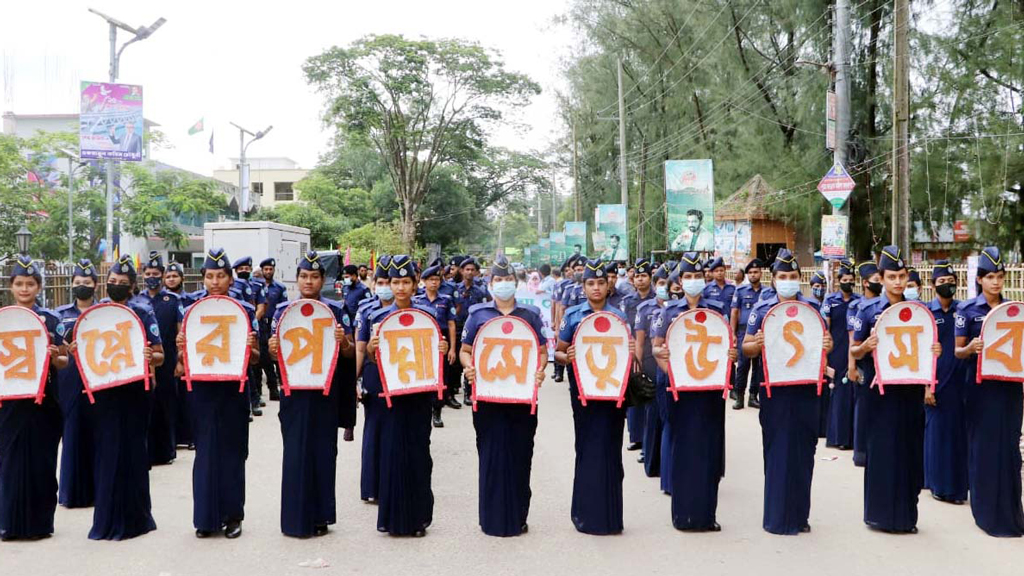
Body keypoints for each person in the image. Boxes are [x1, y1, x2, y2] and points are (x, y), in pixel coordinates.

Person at [71, 256, 163, 540]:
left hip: (135, 392)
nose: (116, 286)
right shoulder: (95, 315)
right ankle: (107, 517)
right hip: (104, 394)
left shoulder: (143, 312)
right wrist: (76, 351)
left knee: (134, 451)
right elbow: (81, 354)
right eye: (112, 282)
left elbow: (160, 355)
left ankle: (137, 518)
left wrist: (151, 357)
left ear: (133, 286)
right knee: (107, 452)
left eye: (123, 283)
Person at [851, 246, 940, 534]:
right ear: (881, 278)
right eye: (892, 276)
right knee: (882, 451)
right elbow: (854, 348)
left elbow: (927, 350)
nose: (898, 282)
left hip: (910, 391)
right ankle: (879, 515)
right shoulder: (867, 310)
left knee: (910, 451)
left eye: (902, 276)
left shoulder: (918, 312)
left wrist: (934, 350)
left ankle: (906, 517)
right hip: (880, 393)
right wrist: (866, 347)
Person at [743, 248, 833, 535]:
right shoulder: (762, 310)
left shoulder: (812, 308)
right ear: (774, 279)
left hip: (806, 388)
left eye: (793, 276)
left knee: (804, 452)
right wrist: (756, 343)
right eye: (783, 276)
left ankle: (800, 516)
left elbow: (824, 343)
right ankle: (776, 517)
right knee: (777, 451)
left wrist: (828, 346)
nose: (788, 281)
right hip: (774, 391)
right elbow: (746, 348)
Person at [268, 251, 354, 538]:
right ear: (297, 280)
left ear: (323, 280)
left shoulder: (336, 310)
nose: (309, 281)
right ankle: (294, 518)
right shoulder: (282, 311)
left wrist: (343, 343)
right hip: (294, 393)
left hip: (325, 391)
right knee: (294, 453)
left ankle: (321, 516)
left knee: (324, 452)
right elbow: (273, 356)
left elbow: (350, 352)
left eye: (314, 277)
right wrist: (271, 350)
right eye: (304, 276)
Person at [460, 257, 547, 537]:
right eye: (498, 280)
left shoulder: (530, 315)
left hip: (522, 400)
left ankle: (519, 515)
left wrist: (540, 370)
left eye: (508, 280)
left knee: (521, 455)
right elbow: (464, 350)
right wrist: (469, 367)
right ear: (490, 284)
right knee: (491, 455)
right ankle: (492, 518)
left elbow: (542, 351)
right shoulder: (477, 315)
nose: (504, 284)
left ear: (516, 283)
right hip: (488, 400)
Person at [176, 248, 259, 539]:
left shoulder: (245, 310)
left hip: (233, 389)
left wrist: (252, 345)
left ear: (230, 278)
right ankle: (205, 518)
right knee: (206, 451)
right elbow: (182, 359)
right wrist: (180, 346)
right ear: (203, 279)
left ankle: (233, 516)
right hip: (201, 389)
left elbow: (258, 358)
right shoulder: (189, 310)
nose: (215, 282)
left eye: (221, 276)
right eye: (209, 276)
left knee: (233, 452)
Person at [363, 255, 449, 536]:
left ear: (415, 285)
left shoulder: (428, 315)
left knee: (418, 454)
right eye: (395, 282)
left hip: (419, 395)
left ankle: (418, 519)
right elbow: (373, 359)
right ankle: (391, 519)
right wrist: (372, 350)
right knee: (391, 453)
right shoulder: (378, 317)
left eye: (405, 282)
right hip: (391, 395)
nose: (400, 288)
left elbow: (437, 352)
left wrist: (443, 348)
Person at [651, 253, 737, 531]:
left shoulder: (717, 309)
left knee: (709, 450)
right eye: (688, 277)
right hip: (680, 391)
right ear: (680, 281)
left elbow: (727, 344)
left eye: (697, 276)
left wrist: (731, 355)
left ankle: (706, 516)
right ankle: (683, 515)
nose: (693, 281)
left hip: (710, 391)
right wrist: (673, 374)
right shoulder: (669, 312)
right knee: (683, 449)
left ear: (705, 278)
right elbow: (656, 348)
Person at [555, 258, 633, 535]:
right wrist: (568, 356)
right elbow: (558, 351)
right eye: (591, 283)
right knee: (587, 448)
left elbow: (627, 355)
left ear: (608, 285)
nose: (596, 287)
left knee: (611, 450)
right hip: (584, 393)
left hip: (613, 394)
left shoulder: (619, 318)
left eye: (601, 282)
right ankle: (585, 515)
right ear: (583, 287)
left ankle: (611, 517)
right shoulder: (573, 315)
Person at [954, 247, 1024, 537]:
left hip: (1009, 387)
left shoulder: (1013, 310)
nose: (995, 282)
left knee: (1009, 448)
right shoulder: (967, 310)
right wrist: (970, 348)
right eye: (990, 277)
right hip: (980, 388)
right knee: (983, 448)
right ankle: (985, 513)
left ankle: (1011, 512)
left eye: (999, 277)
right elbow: (957, 352)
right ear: (980, 280)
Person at [0, 256, 67, 541]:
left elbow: (65, 359)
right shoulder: (3, 318)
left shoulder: (52, 320)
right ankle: (8, 522)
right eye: (19, 284)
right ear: (11, 287)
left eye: (30, 284)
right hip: (9, 401)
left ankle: (40, 524)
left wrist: (55, 357)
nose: (24, 289)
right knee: (9, 461)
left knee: (41, 461)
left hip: (44, 401)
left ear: (38, 287)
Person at [55, 259, 99, 509]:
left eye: (87, 282)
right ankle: (71, 493)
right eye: (78, 282)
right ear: (72, 285)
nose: (82, 286)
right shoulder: (61, 315)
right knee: (71, 433)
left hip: (97, 376)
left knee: (96, 431)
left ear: (95, 285)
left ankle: (96, 490)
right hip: (70, 379)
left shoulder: (102, 312)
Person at [924, 261, 967, 505]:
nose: (947, 286)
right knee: (938, 435)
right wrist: (926, 386)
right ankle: (938, 485)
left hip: (960, 381)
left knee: (958, 435)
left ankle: (959, 488)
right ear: (933, 286)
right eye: (941, 282)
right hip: (936, 382)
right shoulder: (927, 313)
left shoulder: (963, 310)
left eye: (950, 282)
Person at [135, 253, 184, 466]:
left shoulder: (173, 300)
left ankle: (166, 449)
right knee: (147, 406)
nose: (151, 277)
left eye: (156, 274)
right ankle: (147, 450)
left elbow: (180, 333)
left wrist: (181, 361)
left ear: (162, 276)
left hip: (168, 359)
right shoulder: (137, 301)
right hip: (145, 360)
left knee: (166, 404)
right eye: (148, 274)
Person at [356, 256, 393, 503]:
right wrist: (354, 381)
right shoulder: (366, 310)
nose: (387, 286)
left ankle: (394, 483)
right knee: (375, 429)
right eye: (381, 281)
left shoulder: (413, 310)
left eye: (390, 281)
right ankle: (372, 486)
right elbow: (360, 348)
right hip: (374, 374)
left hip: (403, 375)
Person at [634, 262, 672, 474]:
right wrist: (637, 368)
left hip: (672, 367)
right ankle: (649, 458)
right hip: (649, 363)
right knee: (651, 414)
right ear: (655, 285)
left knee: (667, 417)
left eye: (668, 283)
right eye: (661, 283)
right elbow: (639, 342)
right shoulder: (645, 309)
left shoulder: (676, 309)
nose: (664, 288)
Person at [414, 263, 458, 428]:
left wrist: (453, 348)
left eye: (437, 279)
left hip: (442, 344)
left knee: (441, 377)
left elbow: (452, 324)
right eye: (430, 279)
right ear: (423, 281)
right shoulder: (416, 300)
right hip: (423, 343)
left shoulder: (446, 300)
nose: (434, 283)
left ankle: (437, 411)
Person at [822, 260, 859, 449]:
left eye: (851, 280)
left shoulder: (858, 301)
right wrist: (826, 359)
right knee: (838, 394)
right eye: (845, 279)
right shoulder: (830, 300)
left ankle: (852, 438)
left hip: (852, 350)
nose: (848, 283)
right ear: (838, 281)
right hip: (835, 351)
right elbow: (825, 329)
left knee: (852, 394)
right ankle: (837, 437)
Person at [849, 261, 882, 467]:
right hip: (866, 365)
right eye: (876, 280)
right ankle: (860, 451)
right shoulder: (858, 307)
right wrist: (852, 366)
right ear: (866, 283)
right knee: (864, 407)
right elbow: (854, 339)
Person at [622, 258, 655, 452]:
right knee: (634, 393)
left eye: (644, 276)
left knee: (650, 394)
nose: (640, 280)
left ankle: (648, 439)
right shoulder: (627, 302)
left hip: (652, 353)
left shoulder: (658, 299)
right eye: (637, 276)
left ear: (650, 278)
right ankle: (636, 437)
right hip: (632, 350)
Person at [163, 261, 194, 450]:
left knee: (186, 397)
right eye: (168, 276)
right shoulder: (161, 300)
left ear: (182, 278)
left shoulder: (189, 300)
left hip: (186, 354)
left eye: (175, 276)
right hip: (168, 354)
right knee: (171, 399)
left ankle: (190, 436)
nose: (171, 279)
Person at [232, 257, 267, 417]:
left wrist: (252, 323)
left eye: (247, 268)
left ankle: (253, 400)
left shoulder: (252, 286)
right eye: (241, 269)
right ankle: (250, 401)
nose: (244, 271)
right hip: (232, 332)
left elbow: (255, 306)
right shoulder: (235, 286)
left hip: (248, 328)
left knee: (250, 367)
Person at [454, 257, 490, 406]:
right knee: (456, 360)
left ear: (476, 272)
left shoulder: (480, 291)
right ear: (462, 271)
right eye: (466, 269)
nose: (469, 272)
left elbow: (488, 306)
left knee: (472, 359)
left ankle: (469, 392)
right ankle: (454, 388)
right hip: (457, 327)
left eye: (472, 270)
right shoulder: (455, 289)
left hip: (474, 329)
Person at [729, 259, 765, 410]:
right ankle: (739, 397)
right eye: (750, 272)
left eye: (755, 272)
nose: (753, 275)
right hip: (744, 331)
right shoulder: (741, 291)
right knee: (743, 366)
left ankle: (753, 396)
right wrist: (733, 333)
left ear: (761, 273)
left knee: (758, 367)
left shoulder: (767, 292)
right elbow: (734, 312)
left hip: (760, 334)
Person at [259, 258, 289, 402]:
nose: (268, 272)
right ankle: (268, 388)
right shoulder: (256, 286)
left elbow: (283, 307)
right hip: (260, 324)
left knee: (278, 354)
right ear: (262, 270)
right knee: (263, 357)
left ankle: (282, 384)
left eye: (270, 269)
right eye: (266, 269)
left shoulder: (280, 287)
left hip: (274, 323)